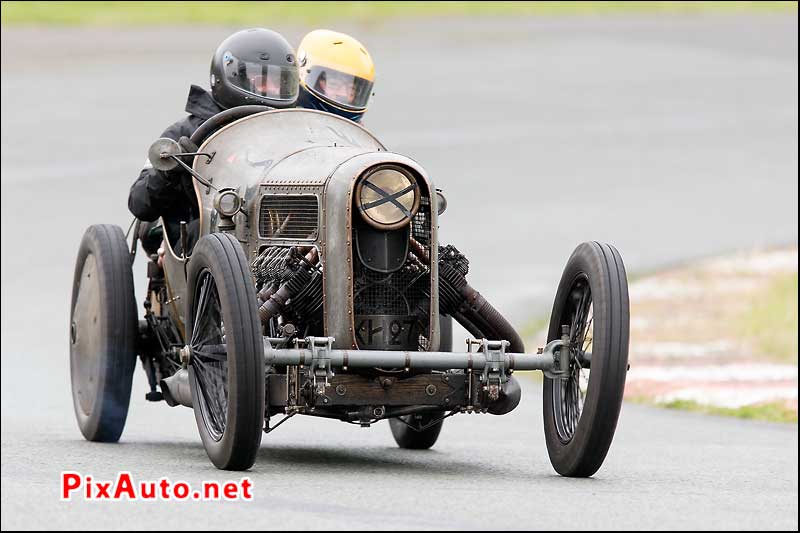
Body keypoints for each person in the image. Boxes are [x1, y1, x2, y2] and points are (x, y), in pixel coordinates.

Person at [128, 28, 299, 254]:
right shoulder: (185, 132)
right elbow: (139, 202)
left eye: (278, 82)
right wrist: (171, 171)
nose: (270, 90)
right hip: (203, 242)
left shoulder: (297, 131)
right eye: (261, 81)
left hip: (281, 235)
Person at [296, 29, 375, 123]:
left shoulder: (359, 136)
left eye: (351, 89)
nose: (342, 93)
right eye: (334, 84)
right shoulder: (280, 119)